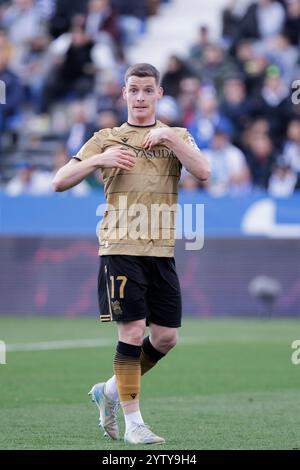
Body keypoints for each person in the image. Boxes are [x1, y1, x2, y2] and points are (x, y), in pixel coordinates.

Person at [52, 63, 210, 445]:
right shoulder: (105, 138)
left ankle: (107, 391)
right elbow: (59, 181)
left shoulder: (176, 135)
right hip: (120, 246)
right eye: (133, 89)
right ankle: (134, 426)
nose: (140, 97)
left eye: (148, 90)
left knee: (167, 337)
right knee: (133, 331)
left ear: (159, 94)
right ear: (123, 93)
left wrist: (171, 140)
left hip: (161, 250)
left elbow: (204, 172)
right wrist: (98, 161)